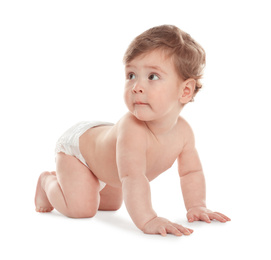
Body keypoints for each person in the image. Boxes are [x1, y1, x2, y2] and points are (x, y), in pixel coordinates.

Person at [35, 25, 230, 237]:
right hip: (79, 152)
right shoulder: (133, 129)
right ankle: (48, 181)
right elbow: (133, 177)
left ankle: (88, 182)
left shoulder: (183, 132)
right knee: (82, 208)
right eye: (131, 75)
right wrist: (148, 219)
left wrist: (197, 206)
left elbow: (190, 172)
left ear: (185, 91)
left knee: (111, 204)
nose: (136, 86)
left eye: (152, 76)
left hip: (108, 159)